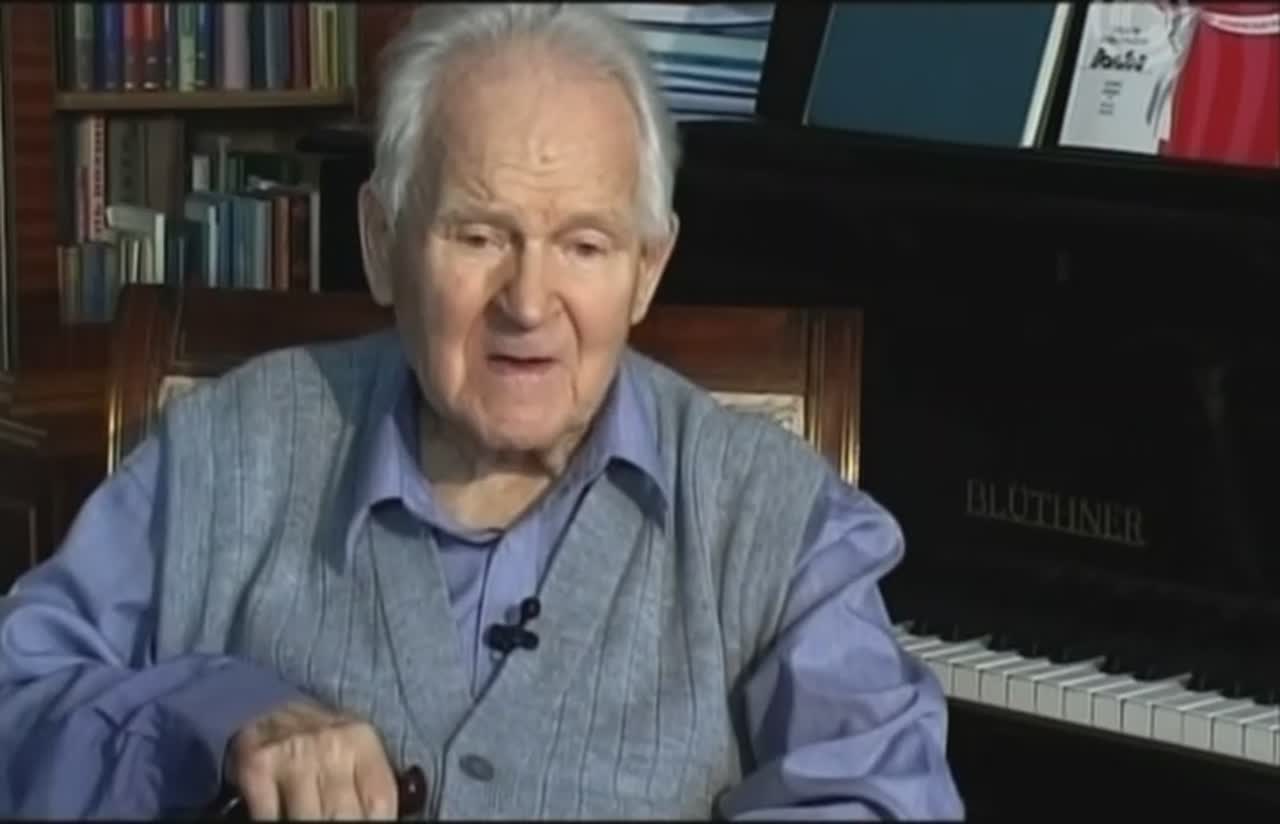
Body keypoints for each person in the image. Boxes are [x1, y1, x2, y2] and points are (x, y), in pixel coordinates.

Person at [0, 4, 964, 819]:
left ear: (647, 269)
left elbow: (882, 797)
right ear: (381, 242)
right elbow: (17, 700)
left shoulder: (774, 519)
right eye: (478, 236)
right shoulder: (226, 452)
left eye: (584, 245)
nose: (529, 303)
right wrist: (214, 715)